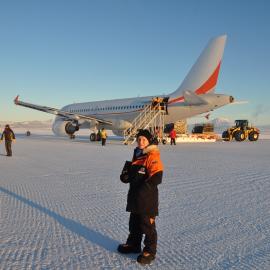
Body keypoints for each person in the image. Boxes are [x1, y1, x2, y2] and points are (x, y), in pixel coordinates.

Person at [118, 129, 163, 265]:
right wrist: (125, 176)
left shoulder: (152, 155)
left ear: (149, 141)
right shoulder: (137, 155)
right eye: (139, 139)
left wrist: (144, 190)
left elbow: (157, 177)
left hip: (146, 199)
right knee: (134, 224)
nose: (140, 142)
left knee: (147, 225)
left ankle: (150, 250)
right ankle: (133, 244)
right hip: (135, 198)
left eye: (144, 139)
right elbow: (131, 177)